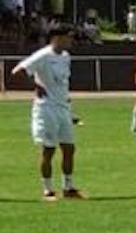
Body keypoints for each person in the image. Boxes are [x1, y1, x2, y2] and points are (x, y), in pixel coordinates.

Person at [11, 22, 84, 200]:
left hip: (63, 107)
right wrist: (35, 85)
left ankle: (68, 187)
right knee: (48, 150)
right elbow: (17, 72)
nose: (71, 40)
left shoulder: (66, 56)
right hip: (46, 108)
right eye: (69, 36)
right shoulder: (42, 55)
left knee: (69, 148)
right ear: (57, 37)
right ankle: (48, 189)